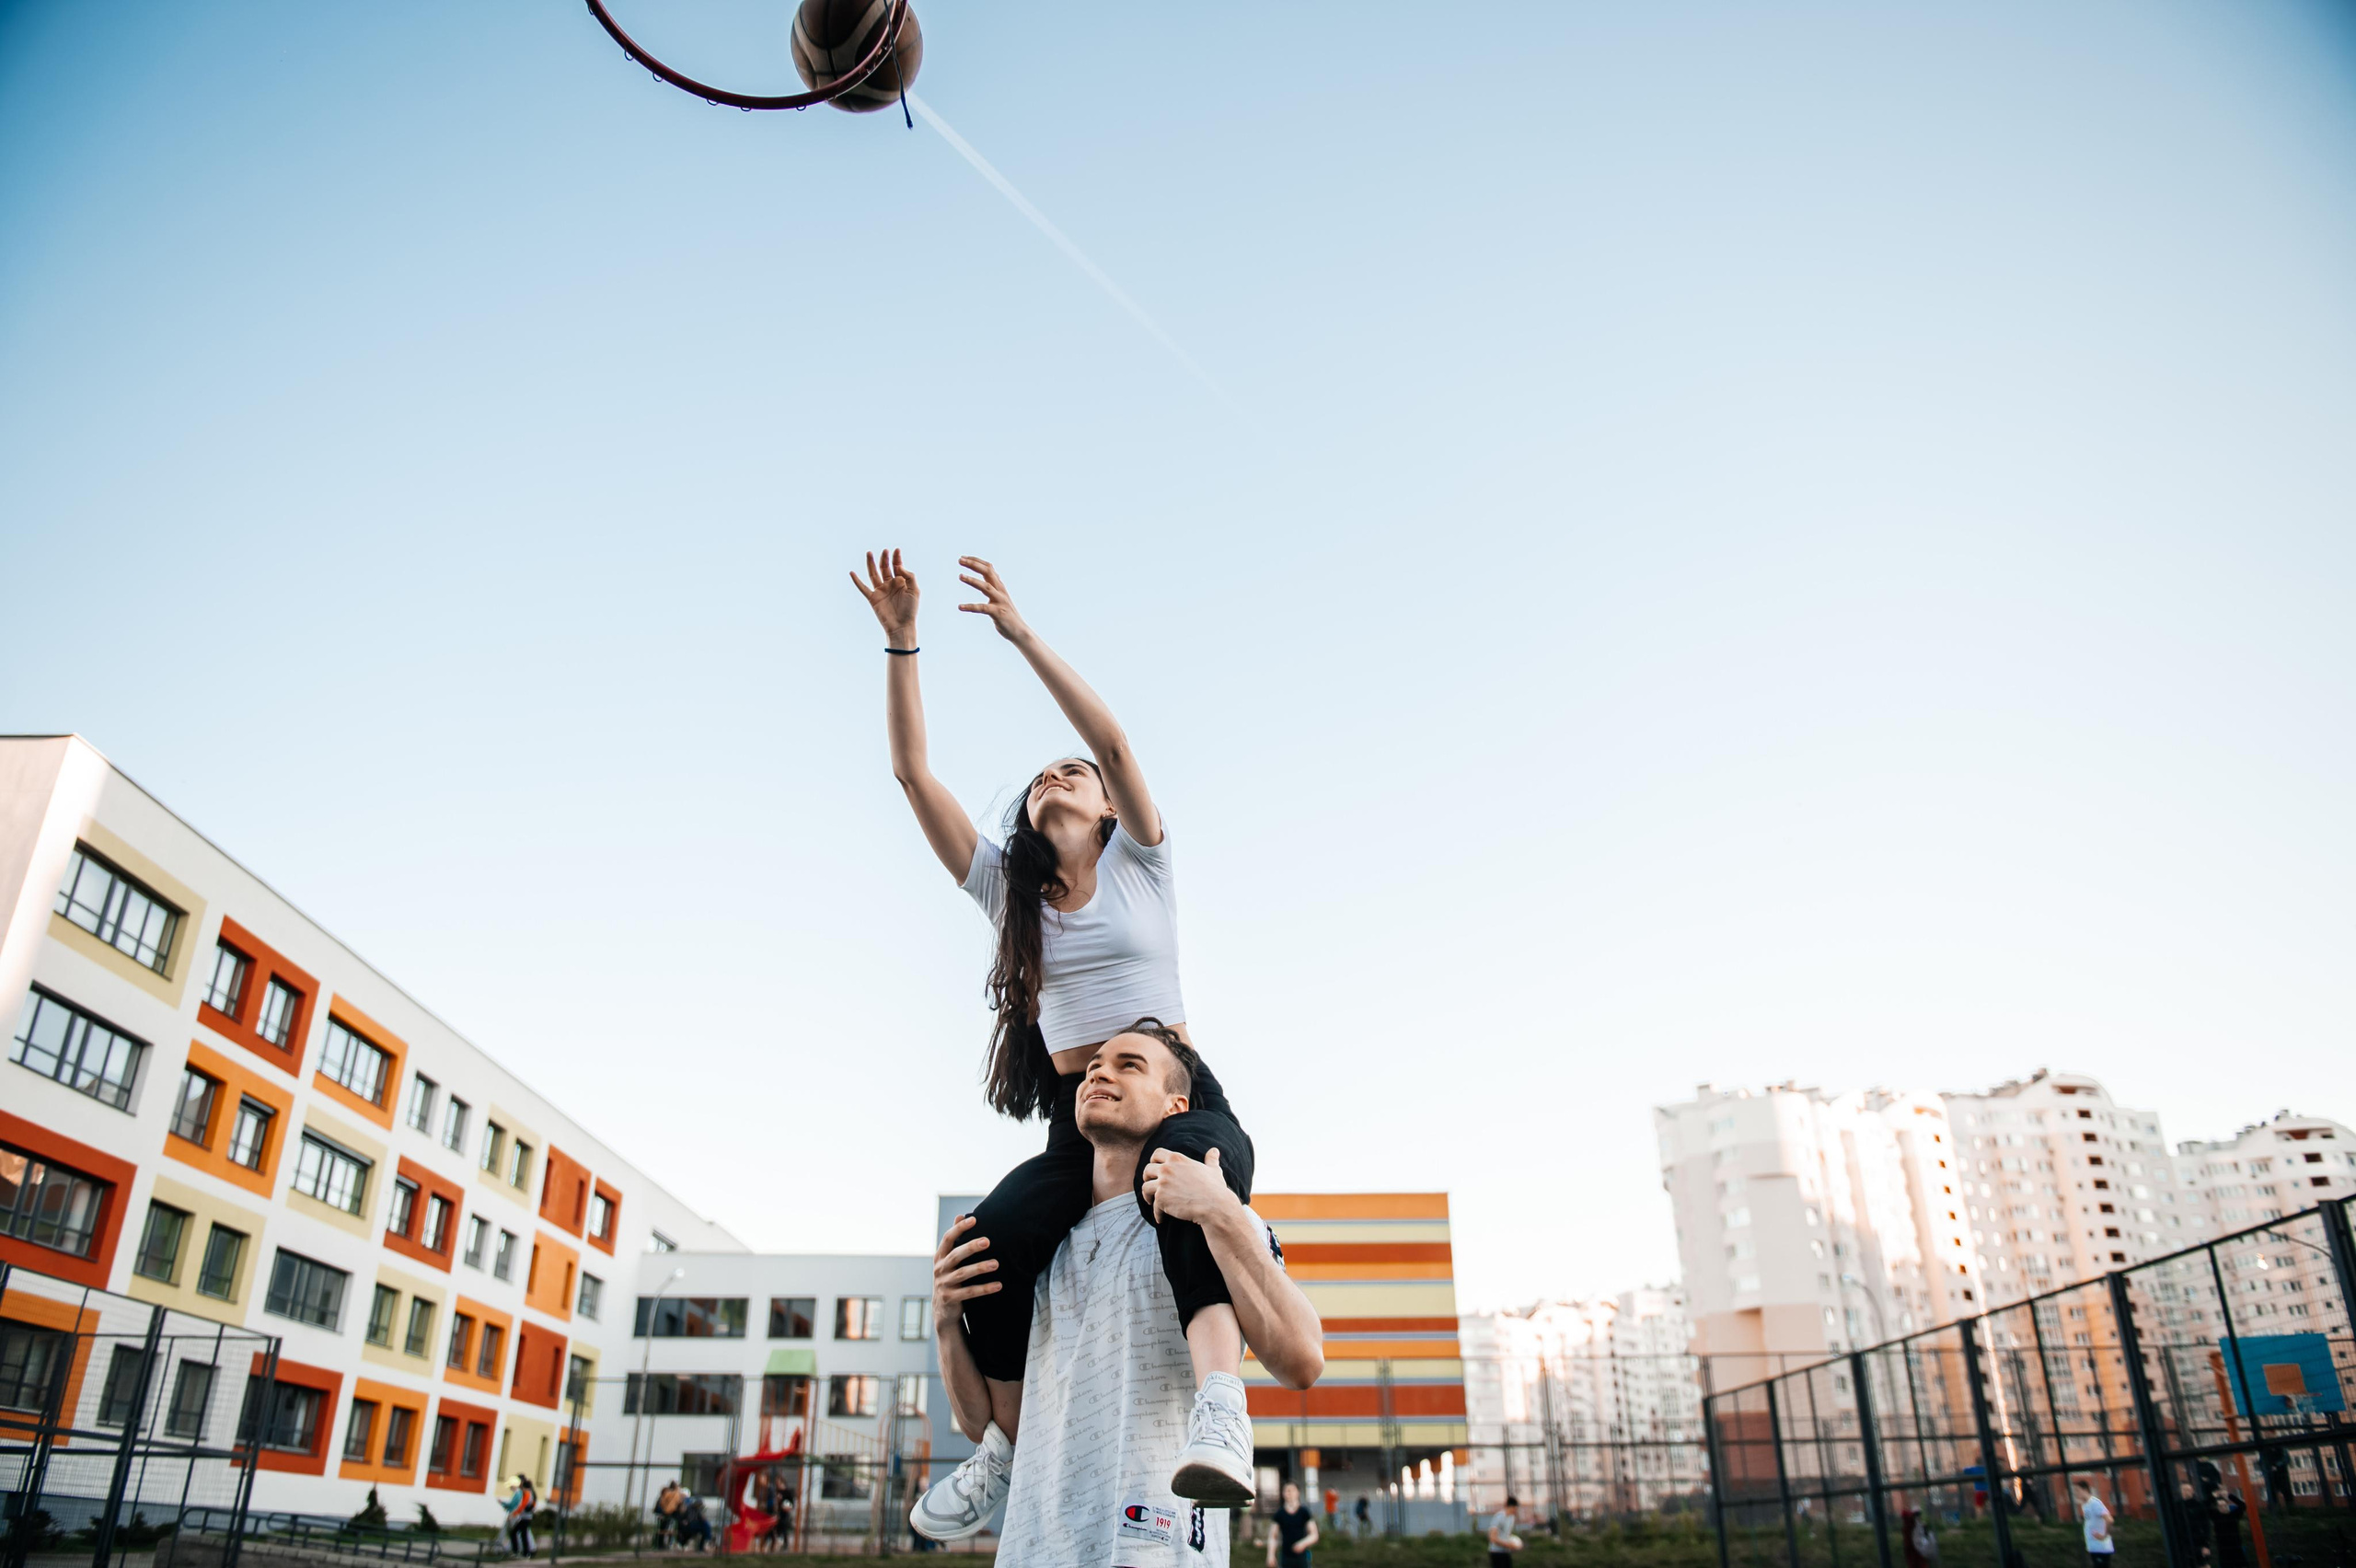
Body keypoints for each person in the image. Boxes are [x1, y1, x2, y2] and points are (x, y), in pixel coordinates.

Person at [854, 553, 1262, 1530]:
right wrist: (903, 638)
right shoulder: (1011, 898)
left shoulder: (1141, 867)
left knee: (1186, 1190)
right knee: (984, 1249)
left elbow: (1112, 738)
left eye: (1069, 773)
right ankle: (1002, 1450)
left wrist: (1018, 633)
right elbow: (912, 774)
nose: (1055, 773)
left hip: (1172, 1096)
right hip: (1075, 1120)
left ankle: (1220, 1412)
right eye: (1041, 776)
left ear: (1110, 811)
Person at [927, 1023, 1323, 1567]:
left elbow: (1303, 1360)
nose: (1100, 1072)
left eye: (1129, 1064)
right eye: (1094, 1067)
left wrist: (1219, 1209)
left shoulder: (1206, 1213)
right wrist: (947, 1323)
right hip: (1033, 1552)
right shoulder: (1042, 1249)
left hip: (1152, 1549)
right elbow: (995, 1425)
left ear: (1175, 1104)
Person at [1267, 1481, 1319, 1568]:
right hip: (1285, 1556)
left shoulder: (1304, 1512)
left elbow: (1314, 1535)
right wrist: (1271, 1555)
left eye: (1292, 1490)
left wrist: (1303, 1543)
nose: (1290, 1493)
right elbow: (1273, 1536)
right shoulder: (1279, 1514)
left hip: (1302, 1557)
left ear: (1298, 1493)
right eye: (1287, 1491)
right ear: (1283, 1494)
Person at [2076, 1480, 2114, 1568]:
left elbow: (2109, 1520)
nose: (2076, 1493)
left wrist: (2104, 1535)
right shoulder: (2085, 1505)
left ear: (2085, 1489)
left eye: (2077, 1490)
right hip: (2093, 1547)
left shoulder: (2095, 1503)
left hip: (2101, 1548)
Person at [501, 1475, 537, 1559]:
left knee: (517, 1533)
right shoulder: (528, 1494)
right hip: (525, 1518)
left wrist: (513, 1514)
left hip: (525, 1519)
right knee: (520, 1534)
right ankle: (522, 1552)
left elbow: (522, 1506)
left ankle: (522, 1552)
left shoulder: (528, 1494)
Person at [2211, 1489, 2248, 1568]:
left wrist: (2229, 1495)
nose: (2223, 1507)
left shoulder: (2233, 1515)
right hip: (2224, 1551)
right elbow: (2205, 1507)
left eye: (2225, 1505)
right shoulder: (2216, 1517)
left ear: (2227, 1505)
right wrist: (2213, 1497)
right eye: (2220, 1506)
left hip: (2236, 1549)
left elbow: (2242, 1505)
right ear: (2217, 1508)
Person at [1488, 1494, 1523, 1568]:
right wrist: (1508, 1545)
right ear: (1511, 1507)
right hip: (1496, 1552)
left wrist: (1515, 1544)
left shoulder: (1512, 1518)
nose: (1516, 1511)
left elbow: (1507, 1535)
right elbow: (1493, 1538)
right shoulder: (1499, 1517)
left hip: (1506, 1552)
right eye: (1515, 1508)